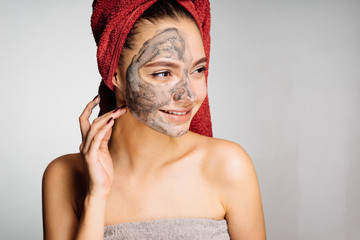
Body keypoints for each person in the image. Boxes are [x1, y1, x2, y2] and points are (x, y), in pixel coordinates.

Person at [42, 0, 266, 239]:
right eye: (163, 73)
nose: (188, 95)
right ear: (114, 74)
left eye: (197, 70)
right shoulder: (65, 176)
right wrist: (96, 197)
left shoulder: (227, 166)